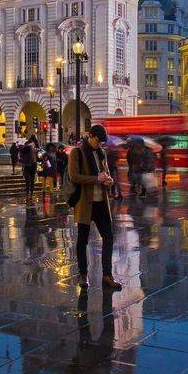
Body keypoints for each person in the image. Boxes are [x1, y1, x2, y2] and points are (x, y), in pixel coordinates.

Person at [68, 124, 119, 290]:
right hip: (85, 203)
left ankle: (107, 275)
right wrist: (97, 179)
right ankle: (83, 275)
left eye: (102, 143)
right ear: (90, 136)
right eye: (97, 141)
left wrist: (108, 181)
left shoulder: (101, 153)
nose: (99, 145)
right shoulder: (77, 153)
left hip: (101, 203)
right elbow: (74, 176)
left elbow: (106, 173)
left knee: (109, 237)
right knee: (82, 240)